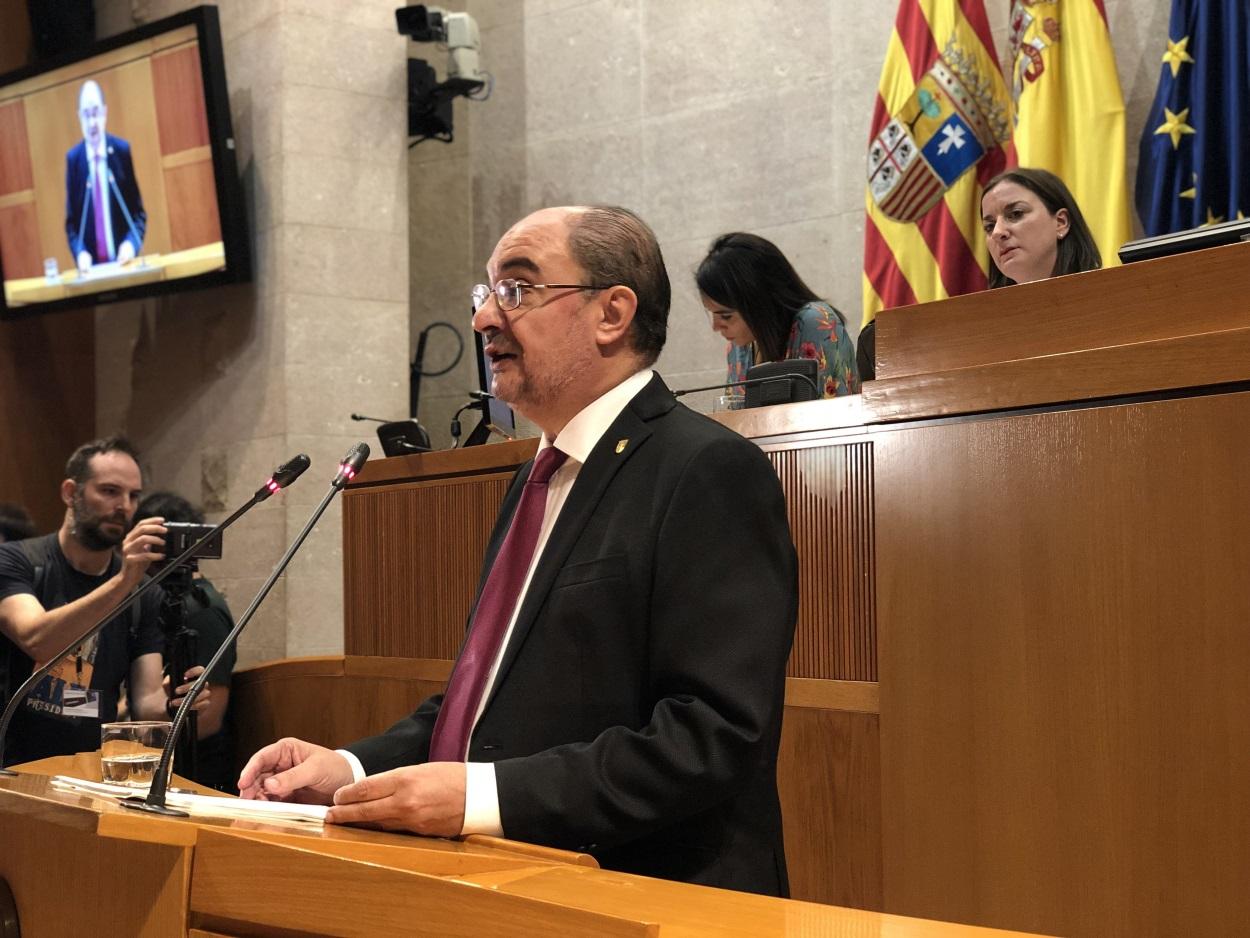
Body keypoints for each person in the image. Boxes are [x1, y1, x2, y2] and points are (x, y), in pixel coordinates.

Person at [240, 206, 799, 896]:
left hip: (650, 897)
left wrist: (484, 799)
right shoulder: (537, 477)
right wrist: (352, 770)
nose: (484, 319)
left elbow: (712, 737)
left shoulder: (705, 469)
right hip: (515, 889)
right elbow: (488, 703)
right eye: (486, 293)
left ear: (612, 313)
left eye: (518, 289)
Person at [0, 438, 206, 767]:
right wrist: (124, 579)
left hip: (91, 772)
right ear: (71, 492)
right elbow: (36, 638)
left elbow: (146, 702)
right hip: (12, 771)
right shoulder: (17, 562)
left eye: (133, 495)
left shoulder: (145, 595)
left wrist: (172, 700)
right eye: (110, 491)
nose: (124, 505)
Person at [133, 492, 237, 792]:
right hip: (169, 760)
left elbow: (208, 720)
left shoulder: (201, 612)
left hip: (197, 770)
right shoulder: (168, 604)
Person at [697, 232, 859, 399]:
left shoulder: (815, 322)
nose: (715, 327)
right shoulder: (737, 347)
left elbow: (832, 416)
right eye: (712, 314)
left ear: (760, 302)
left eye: (726, 316)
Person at [64, 80, 147, 273]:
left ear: (105, 112)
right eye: (86, 115)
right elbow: (72, 225)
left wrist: (130, 245)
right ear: (79, 117)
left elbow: (138, 215)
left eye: (96, 112)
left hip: (124, 267)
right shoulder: (74, 160)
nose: (92, 123)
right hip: (92, 273)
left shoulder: (121, 151)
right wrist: (80, 253)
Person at [981, 167, 1101, 288]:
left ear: (1061, 222)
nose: (997, 232)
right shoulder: (981, 307)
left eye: (1016, 213)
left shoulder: (1113, 297)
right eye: (990, 226)